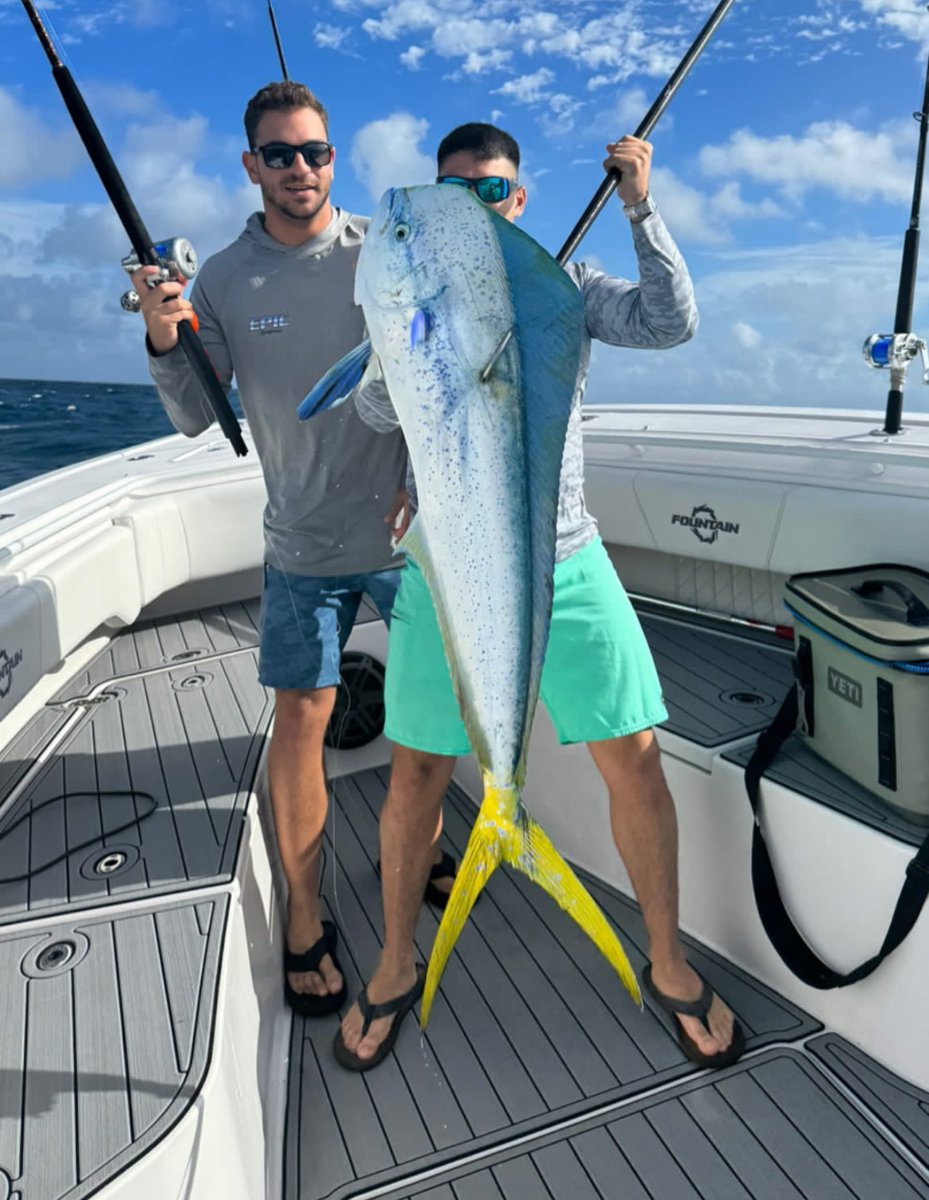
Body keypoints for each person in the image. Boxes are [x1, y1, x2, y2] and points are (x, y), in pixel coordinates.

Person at [337, 122, 743, 1072]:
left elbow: (667, 320)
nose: (473, 205)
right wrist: (403, 338)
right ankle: (397, 962)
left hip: (566, 556)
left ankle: (670, 963)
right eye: (454, 191)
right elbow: (365, 410)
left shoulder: (565, 286)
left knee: (635, 759)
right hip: (446, 561)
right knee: (415, 774)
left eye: (492, 192)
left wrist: (640, 205)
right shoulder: (413, 291)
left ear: (517, 201)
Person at [131, 81, 456, 1018]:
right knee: (301, 720)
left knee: (431, 712)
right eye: (280, 154)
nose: (301, 169)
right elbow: (197, 415)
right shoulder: (225, 280)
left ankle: (425, 848)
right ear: (251, 165)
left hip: (408, 540)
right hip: (302, 544)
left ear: (333, 157)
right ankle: (305, 915)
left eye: (315, 151)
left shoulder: (384, 253)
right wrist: (165, 332)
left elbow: (444, 376)